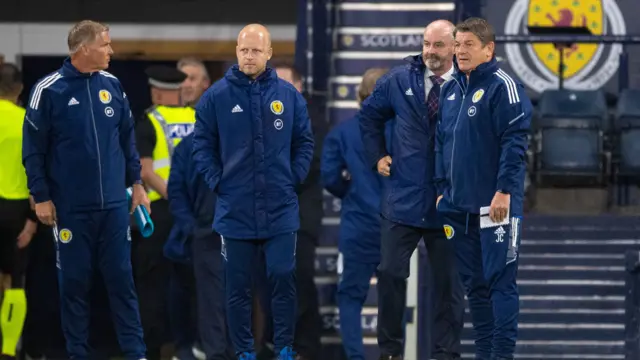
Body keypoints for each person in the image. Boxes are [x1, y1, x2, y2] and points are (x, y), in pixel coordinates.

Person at [21, 20, 149, 360]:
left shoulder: (113, 85)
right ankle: (79, 354)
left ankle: (136, 353)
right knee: (74, 286)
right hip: (70, 210)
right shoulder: (48, 90)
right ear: (83, 49)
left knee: (123, 282)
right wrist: (42, 195)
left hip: (113, 209)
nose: (111, 50)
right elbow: (33, 150)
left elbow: (127, 140)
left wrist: (136, 185)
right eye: (105, 44)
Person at [192, 23, 314, 360]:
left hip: (280, 207)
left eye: (256, 50)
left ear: (269, 53)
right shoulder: (215, 96)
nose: (249, 56)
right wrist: (218, 181)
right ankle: (244, 351)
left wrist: (293, 176)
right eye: (244, 49)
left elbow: (304, 142)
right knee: (237, 287)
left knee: (282, 276)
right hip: (235, 209)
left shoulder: (288, 96)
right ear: (236, 51)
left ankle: (285, 347)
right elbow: (201, 144)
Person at [358, 19, 465, 360]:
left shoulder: (469, 81)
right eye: (426, 44)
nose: (430, 52)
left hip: (449, 200)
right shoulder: (399, 78)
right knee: (389, 272)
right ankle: (390, 352)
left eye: (438, 46)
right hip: (402, 198)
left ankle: (445, 353)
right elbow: (369, 116)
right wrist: (377, 154)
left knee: (448, 285)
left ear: (454, 47)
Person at [435, 17, 532, 360]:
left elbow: (515, 142)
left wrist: (504, 190)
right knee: (475, 288)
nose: (460, 51)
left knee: (500, 285)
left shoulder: (503, 86)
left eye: (468, 45)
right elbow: (440, 143)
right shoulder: (449, 90)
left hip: (496, 206)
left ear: (488, 49)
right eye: (457, 44)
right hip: (457, 208)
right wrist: (440, 190)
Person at [321, 68, 389, 360]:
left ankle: (355, 357)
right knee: (393, 297)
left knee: (350, 296)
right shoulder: (405, 131)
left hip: (358, 224)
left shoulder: (342, 133)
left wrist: (350, 190)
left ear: (360, 95)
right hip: (396, 225)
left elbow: (329, 177)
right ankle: (392, 355)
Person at [259, 59, 324, 360]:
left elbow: (306, 167)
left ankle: (304, 349)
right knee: (269, 283)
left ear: (299, 88)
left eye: (285, 85)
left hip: (299, 218)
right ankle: (275, 344)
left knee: (298, 281)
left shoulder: (311, 119)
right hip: (266, 218)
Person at [133, 65, 195, 359]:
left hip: (161, 211)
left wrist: (174, 195)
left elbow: (145, 171)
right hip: (197, 214)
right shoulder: (199, 119)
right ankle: (189, 346)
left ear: (156, 91)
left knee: (153, 284)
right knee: (192, 283)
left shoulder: (148, 121)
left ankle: (152, 349)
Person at [167, 132, 235, 360]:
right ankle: (215, 354)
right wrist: (192, 228)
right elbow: (176, 192)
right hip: (207, 234)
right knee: (211, 303)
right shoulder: (188, 147)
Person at [0, 62, 37, 358]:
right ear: (21, 89)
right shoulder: (29, 122)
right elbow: (37, 173)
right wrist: (32, 220)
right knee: (16, 281)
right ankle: (9, 349)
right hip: (17, 211)